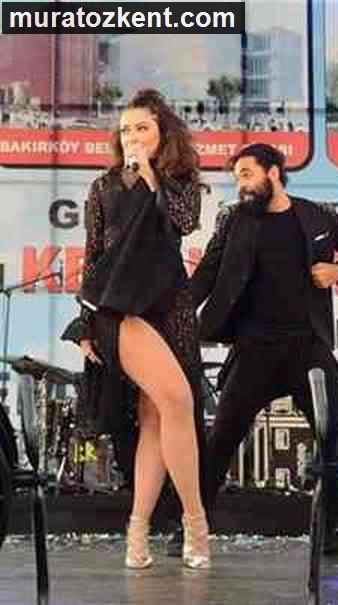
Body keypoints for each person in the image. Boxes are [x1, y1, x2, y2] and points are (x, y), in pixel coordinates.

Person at [189, 142, 338, 548]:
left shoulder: (316, 216)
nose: (241, 184)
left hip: (308, 347)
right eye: (237, 177)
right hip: (254, 348)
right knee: (220, 440)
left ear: (273, 172)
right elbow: (205, 275)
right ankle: (192, 528)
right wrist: (177, 315)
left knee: (336, 436)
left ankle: (334, 531)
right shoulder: (234, 220)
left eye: (247, 174)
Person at [61, 88, 209, 570]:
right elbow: (94, 256)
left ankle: (137, 532)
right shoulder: (103, 187)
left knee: (157, 417)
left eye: (142, 128)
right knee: (178, 401)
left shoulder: (180, 182)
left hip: (171, 306)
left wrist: (149, 176)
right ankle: (196, 522)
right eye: (125, 130)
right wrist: (85, 321)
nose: (132, 137)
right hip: (121, 310)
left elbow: (184, 222)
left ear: (163, 133)